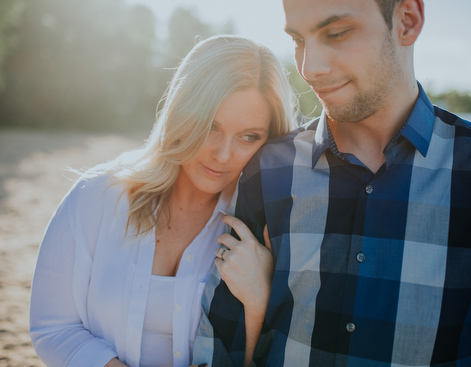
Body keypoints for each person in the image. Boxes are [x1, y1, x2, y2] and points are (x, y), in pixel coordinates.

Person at [194, 0, 471, 366]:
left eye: (336, 33)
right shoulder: (269, 169)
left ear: (407, 21)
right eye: (297, 39)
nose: (309, 67)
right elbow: (218, 348)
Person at [29, 34, 298, 367]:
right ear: (183, 112)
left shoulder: (266, 233)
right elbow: (53, 328)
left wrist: (261, 301)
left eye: (249, 137)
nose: (224, 154)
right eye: (211, 126)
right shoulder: (98, 195)